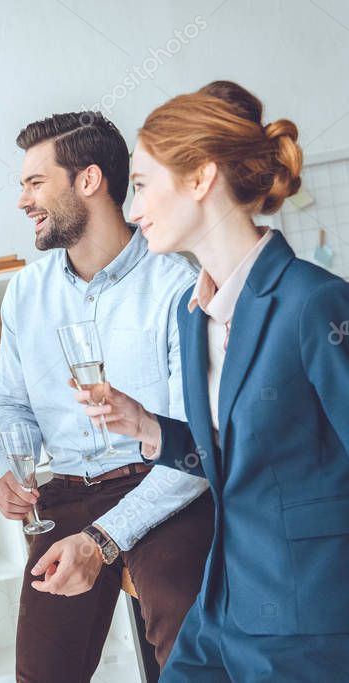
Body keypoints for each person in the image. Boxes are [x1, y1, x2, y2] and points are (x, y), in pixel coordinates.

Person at [76, 81, 349, 681]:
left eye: (143, 185)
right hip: (222, 605)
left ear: (200, 179)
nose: (132, 208)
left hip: (307, 623)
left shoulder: (315, 303)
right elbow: (227, 458)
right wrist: (151, 429)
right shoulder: (192, 313)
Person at [0, 112, 214, 681]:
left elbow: (194, 452)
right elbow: (12, 404)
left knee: (185, 641)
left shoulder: (177, 285)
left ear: (88, 180)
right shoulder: (25, 293)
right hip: (64, 493)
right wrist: (14, 469)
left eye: (34, 183)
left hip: (160, 486)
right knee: (42, 671)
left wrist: (102, 540)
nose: (22, 200)